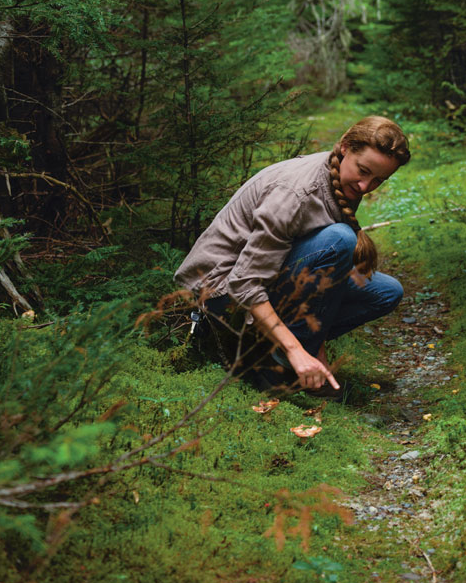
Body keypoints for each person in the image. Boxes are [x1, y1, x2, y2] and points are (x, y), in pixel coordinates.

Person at [175, 115, 410, 392]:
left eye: (378, 180)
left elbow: (326, 279)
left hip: (265, 279)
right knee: (340, 240)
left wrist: (315, 343)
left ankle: (275, 357)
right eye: (363, 171)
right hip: (219, 294)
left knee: (386, 291)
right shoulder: (297, 192)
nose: (365, 187)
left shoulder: (343, 177)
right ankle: (276, 368)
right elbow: (245, 283)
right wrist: (297, 349)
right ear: (346, 147)